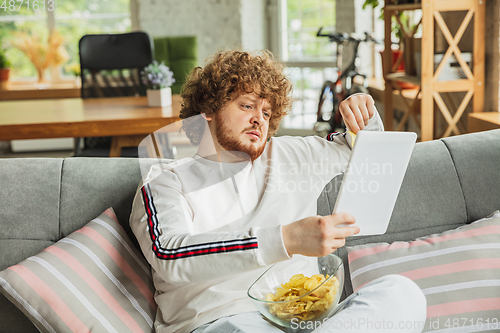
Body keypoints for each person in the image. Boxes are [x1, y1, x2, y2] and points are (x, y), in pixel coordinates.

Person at [129, 50, 426, 333]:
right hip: (221, 321)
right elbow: (169, 254)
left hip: (310, 318)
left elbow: (368, 157)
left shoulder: (290, 154)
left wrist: (364, 116)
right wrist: (286, 239)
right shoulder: (166, 181)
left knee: (401, 293)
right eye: (247, 106)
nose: (259, 118)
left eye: (267, 112)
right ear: (208, 110)